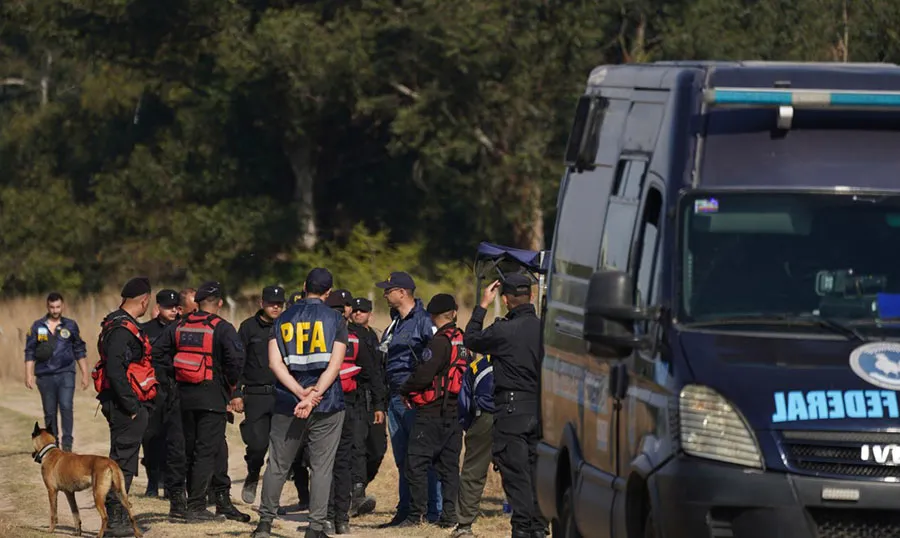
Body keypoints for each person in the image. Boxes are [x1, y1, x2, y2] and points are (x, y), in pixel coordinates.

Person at [252, 268, 348, 538]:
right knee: (321, 467)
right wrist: (314, 395)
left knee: (278, 466)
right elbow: (335, 364)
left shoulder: (281, 318)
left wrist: (299, 392)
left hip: (287, 402)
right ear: (328, 292)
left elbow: (275, 363)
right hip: (327, 404)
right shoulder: (336, 319)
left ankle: (265, 524)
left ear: (304, 286)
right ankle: (316, 528)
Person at [152, 281, 246, 522]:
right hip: (212, 397)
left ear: (199, 303)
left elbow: (157, 352)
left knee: (187, 450)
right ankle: (196, 507)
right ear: (220, 303)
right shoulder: (223, 328)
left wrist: (171, 377)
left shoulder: (179, 325)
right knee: (206, 451)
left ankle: (182, 504)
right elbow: (236, 361)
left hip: (182, 397)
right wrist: (229, 385)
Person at [463, 274, 547, 538]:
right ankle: (540, 528)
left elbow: (471, 339)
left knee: (516, 476)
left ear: (506, 299)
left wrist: (482, 305)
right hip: (541, 411)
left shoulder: (503, 330)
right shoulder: (546, 329)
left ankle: (523, 529)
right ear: (532, 296)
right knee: (538, 475)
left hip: (511, 412)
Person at [374, 271, 442, 526]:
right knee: (403, 457)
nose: (384, 294)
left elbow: (437, 354)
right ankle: (405, 511)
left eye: (389, 290)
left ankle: (432, 512)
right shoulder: (394, 324)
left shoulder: (424, 321)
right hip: (394, 398)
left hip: (416, 398)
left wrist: (421, 390)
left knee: (423, 455)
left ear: (402, 292)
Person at [94, 277, 159, 537]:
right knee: (123, 463)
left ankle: (115, 517)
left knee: (122, 460)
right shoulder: (122, 330)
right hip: (124, 404)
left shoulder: (115, 322)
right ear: (144, 301)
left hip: (122, 402)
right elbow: (115, 370)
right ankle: (114, 520)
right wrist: (131, 405)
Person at [397, 293, 467, 528]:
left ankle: (415, 515)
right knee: (449, 467)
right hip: (455, 412)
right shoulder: (463, 339)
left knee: (415, 463)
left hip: (431, 412)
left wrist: (405, 390)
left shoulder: (438, 342)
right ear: (454, 313)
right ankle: (450, 516)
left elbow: (424, 374)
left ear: (432, 315)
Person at [236, 285, 286, 504]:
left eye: (279, 304)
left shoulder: (288, 327)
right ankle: (253, 473)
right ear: (261, 303)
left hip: (283, 394)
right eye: (271, 303)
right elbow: (237, 362)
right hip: (255, 395)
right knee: (257, 444)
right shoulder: (248, 328)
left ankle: (270, 499)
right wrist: (236, 392)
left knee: (280, 449)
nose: (275, 307)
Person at [24, 292, 89, 453]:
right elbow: (30, 351)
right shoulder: (37, 326)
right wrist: (28, 374)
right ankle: (54, 443)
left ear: (63, 306)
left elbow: (79, 349)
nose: (55, 310)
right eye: (52, 307)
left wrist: (85, 374)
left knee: (66, 406)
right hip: (45, 375)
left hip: (66, 373)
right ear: (47, 306)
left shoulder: (71, 325)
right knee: (50, 411)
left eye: (58, 306)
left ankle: (67, 444)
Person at [140, 288, 181, 498]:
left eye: (176, 307)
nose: (173, 311)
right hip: (154, 389)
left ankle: (172, 482)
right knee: (151, 437)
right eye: (168, 307)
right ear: (158, 308)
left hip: (178, 388)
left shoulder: (184, 328)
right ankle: (153, 481)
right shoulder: (145, 329)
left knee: (174, 438)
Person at [348, 297, 384, 516]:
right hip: (357, 397)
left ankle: (359, 487)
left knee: (377, 449)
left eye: (363, 311)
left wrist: (380, 402)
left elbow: (378, 372)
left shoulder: (374, 335)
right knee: (357, 448)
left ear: (370, 313)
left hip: (375, 399)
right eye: (356, 310)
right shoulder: (348, 334)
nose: (358, 314)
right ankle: (356, 493)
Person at [453, 352, 495, 538]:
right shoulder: (525, 359)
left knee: (473, 472)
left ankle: (464, 525)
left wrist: (468, 426)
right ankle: (531, 524)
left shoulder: (479, 366)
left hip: (484, 417)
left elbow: (464, 400)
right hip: (518, 418)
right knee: (522, 471)